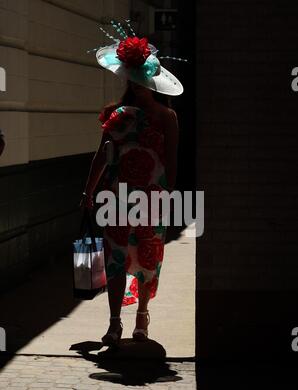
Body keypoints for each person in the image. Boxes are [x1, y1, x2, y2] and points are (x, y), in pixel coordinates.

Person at [81, 30, 184, 346]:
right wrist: (89, 192)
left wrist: (170, 200)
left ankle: (142, 316)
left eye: (143, 80)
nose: (138, 85)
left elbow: (172, 162)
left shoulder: (167, 117)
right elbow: (102, 155)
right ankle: (114, 323)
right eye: (134, 79)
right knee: (115, 257)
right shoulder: (115, 114)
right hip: (117, 195)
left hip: (152, 198)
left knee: (148, 259)